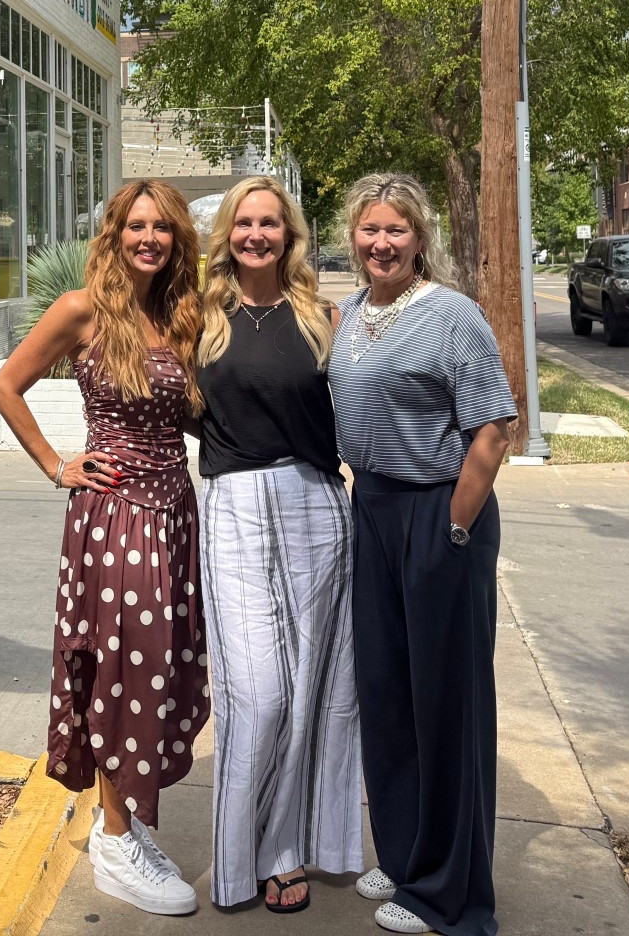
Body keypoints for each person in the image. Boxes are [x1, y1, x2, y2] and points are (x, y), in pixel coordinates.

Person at [0, 178, 210, 918]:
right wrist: (58, 465)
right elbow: (6, 386)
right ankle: (115, 841)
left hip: (174, 512)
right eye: (136, 226)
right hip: (115, 517)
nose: (149, 239)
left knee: (160, 667)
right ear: (114, 234)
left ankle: (125, 822)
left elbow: (198, 417)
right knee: (122, 669)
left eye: (162, 228)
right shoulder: (82, 310)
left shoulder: (179, 315)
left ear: (177, 240)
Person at [328, 173, 517, 936]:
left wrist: (455, 528)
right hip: (371, 510)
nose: (381, 243)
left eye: (396, 230)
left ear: (419, 238)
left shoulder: (452, 314)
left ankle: (451, 895)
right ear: (353, 237)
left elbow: (493, 431)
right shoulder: (350, 313)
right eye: (370, 230)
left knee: (446, 705)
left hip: (439, 512)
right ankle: (407, 857)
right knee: (387, 694)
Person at [194, 175, 362, 914]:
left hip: (315, 506)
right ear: (227, 234)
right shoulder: (199, 317)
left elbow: (367, 403)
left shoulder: (323, 317)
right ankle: (238, 858)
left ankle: (287, 852)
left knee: (312, 694)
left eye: (270, 223)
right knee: (257, 696)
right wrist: (70, 461)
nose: (256, 234)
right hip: (234, 507)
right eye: (244, 223)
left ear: (289, 235)